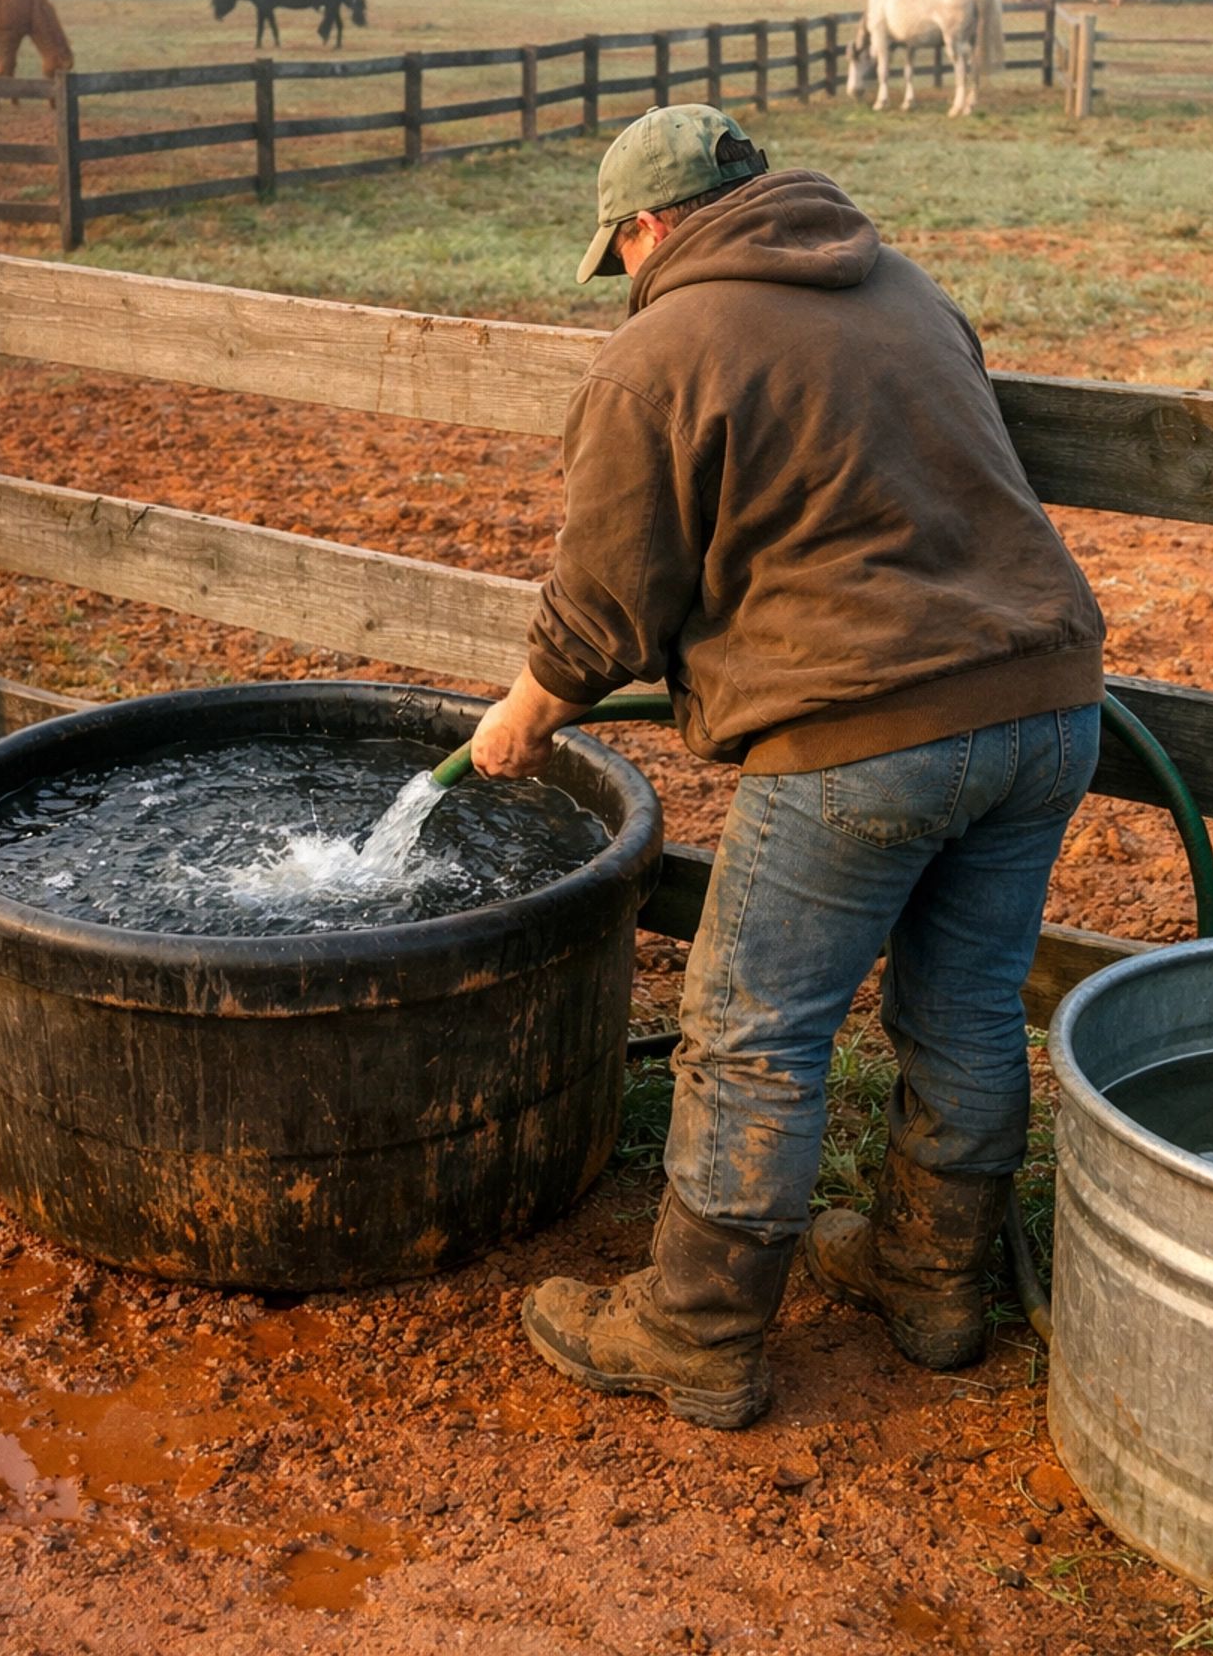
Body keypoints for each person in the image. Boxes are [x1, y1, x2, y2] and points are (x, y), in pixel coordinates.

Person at [470, 105, 1104, 1431]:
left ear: (645, 227)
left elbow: (604, 599)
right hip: (1047, 706)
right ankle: (934, 1288)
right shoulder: (907, 286)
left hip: (862, 732)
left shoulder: (663, 349)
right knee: (973, 1011)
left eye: (621, 254)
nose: (624, 280)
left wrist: (530, 712)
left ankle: (696, 1331)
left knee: (755, 1033)